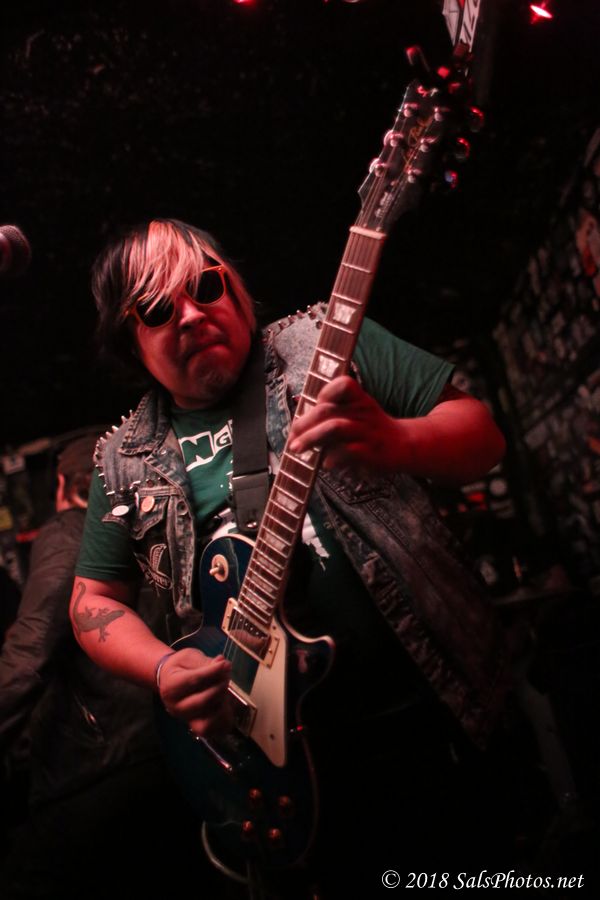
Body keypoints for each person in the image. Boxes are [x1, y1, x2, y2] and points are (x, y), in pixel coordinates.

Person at [71, 218, 514, 898]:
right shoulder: (119, 460)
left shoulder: (329, 342)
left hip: (427, 712)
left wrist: (396, 441)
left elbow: (483, 437)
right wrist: (161, 668)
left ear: (237, 291)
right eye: (157, 309)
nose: (190, 314)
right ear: (131, 342)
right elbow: (91, 602)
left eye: (205, 286)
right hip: (272, 762)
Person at [0, 433, 207, 899]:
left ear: (61, 486)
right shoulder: (159, 526)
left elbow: (30, 650)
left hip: (95, 767)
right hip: (173, 753)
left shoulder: (69, 530)